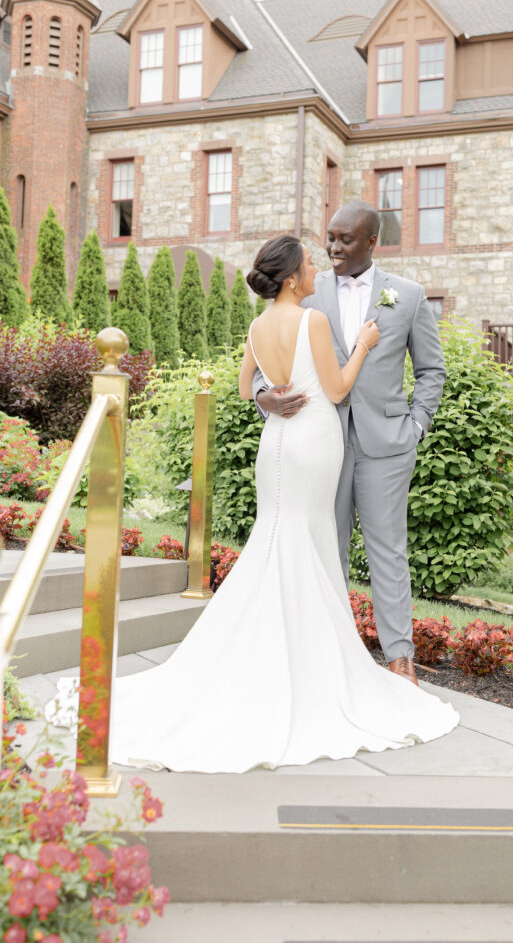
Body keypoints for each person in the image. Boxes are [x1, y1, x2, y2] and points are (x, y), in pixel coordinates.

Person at [49, 234, 458, 774]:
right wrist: (362, 343)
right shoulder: (311, 319)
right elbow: (335, 391)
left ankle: (277, 655)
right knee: (307, 543)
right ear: (292, 278)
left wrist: (274, 393)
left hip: (278, 446)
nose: (316, 268)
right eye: (309, 264)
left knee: (280, 540)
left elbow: (247, 390)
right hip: (313, 443)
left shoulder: (256, 326)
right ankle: (310, 666)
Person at [254, 201, 446, 687]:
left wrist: (415, 426)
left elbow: (431, 371)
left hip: (388, 444)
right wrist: (264, 398)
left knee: (388, 549)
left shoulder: (408, 295)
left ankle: (400, 658)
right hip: (320, 444)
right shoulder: (307, 295)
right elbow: (262, 363)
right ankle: (329, 653)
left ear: (372, 242)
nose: (333, 248)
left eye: (344, 239)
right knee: (324, 545)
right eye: (330, 238)